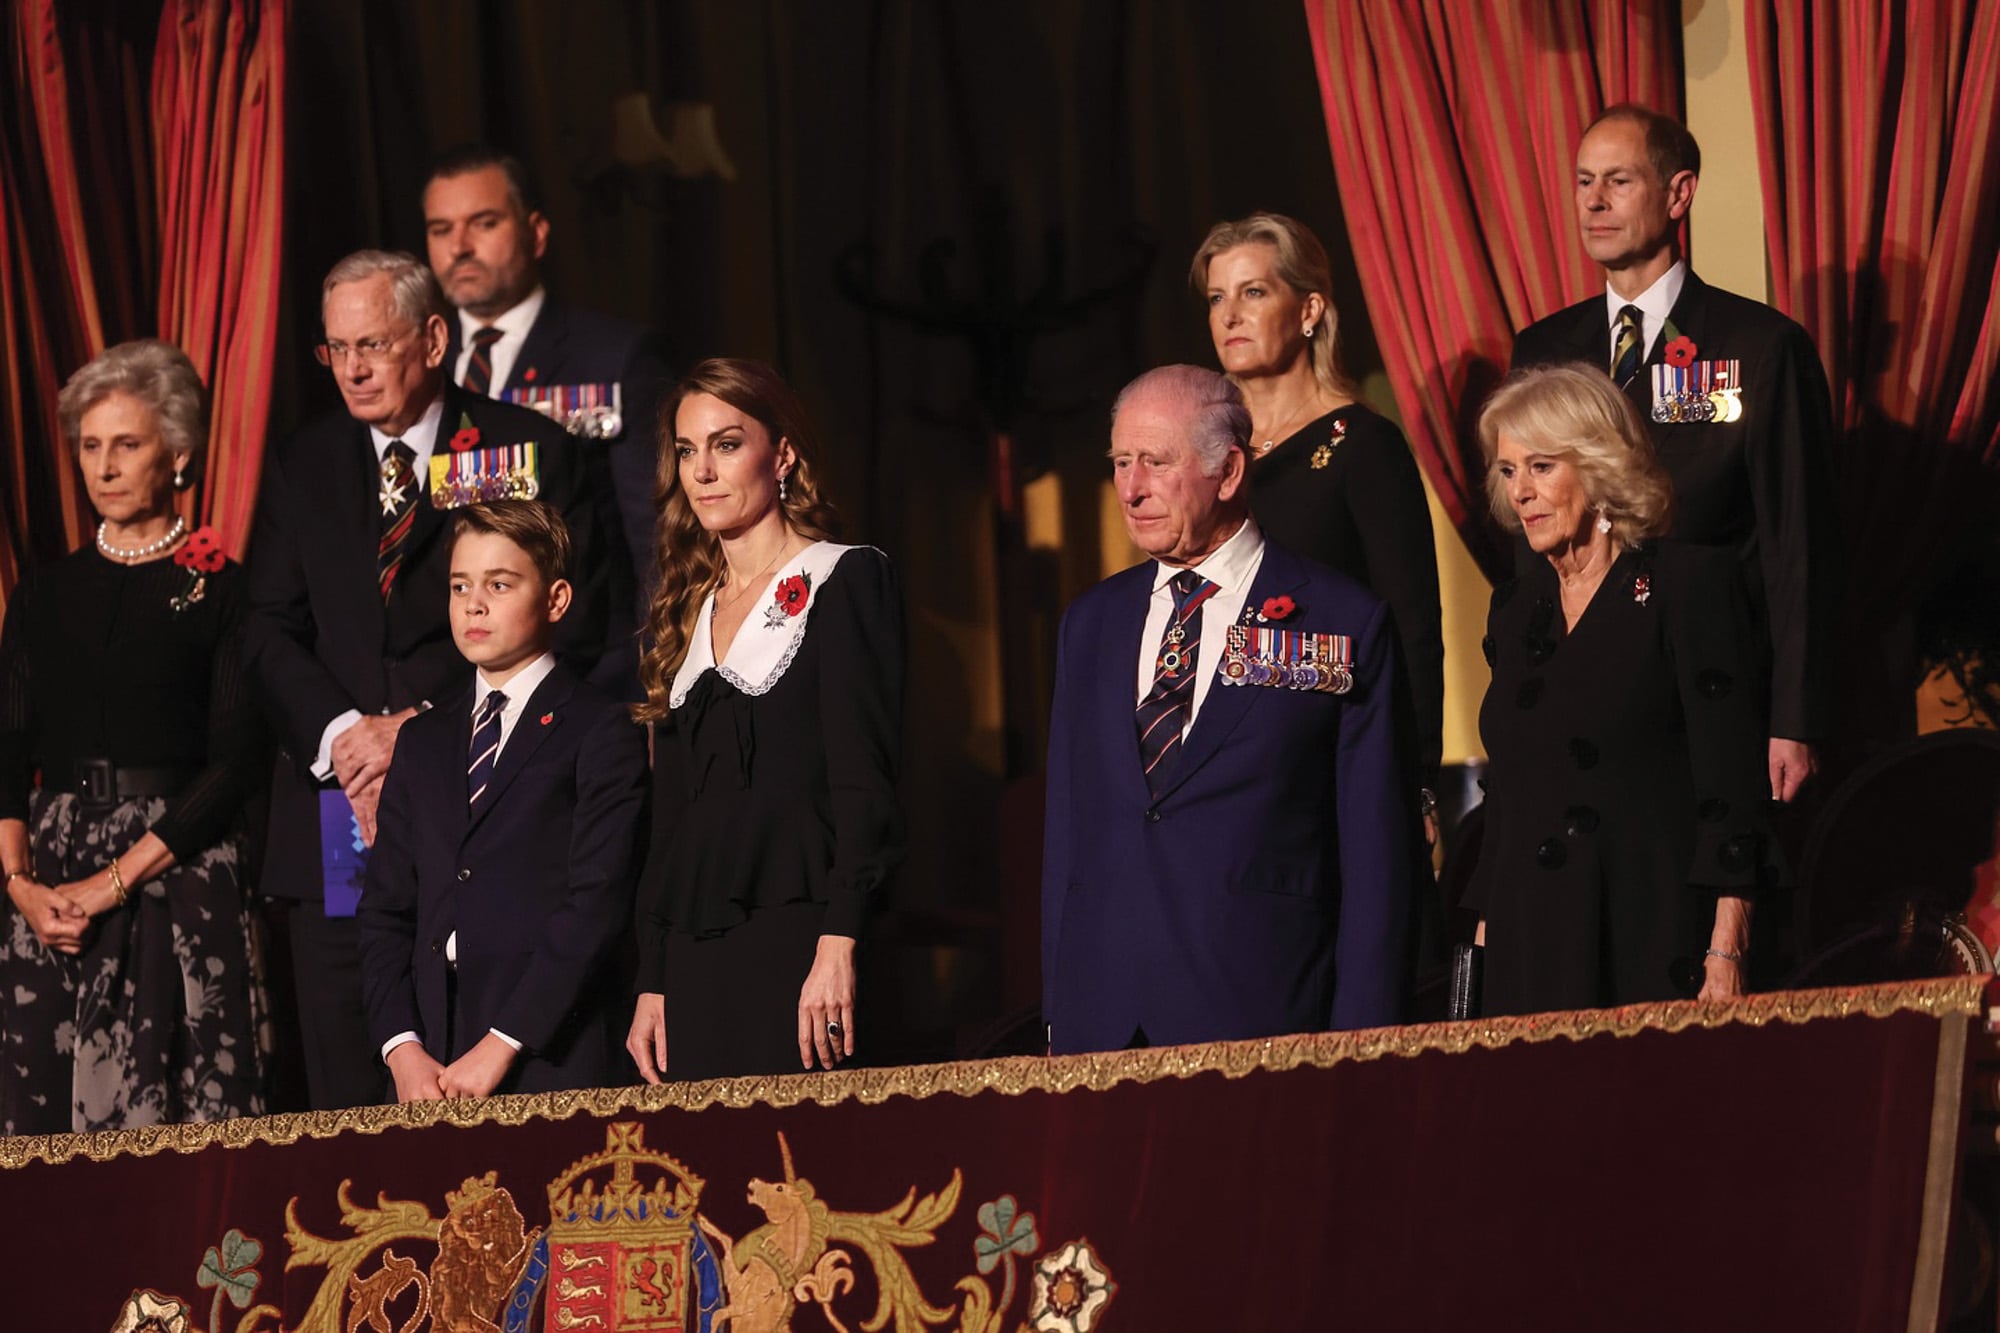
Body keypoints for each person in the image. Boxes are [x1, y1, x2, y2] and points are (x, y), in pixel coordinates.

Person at [245, 249, 610, 1110]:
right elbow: (264, 628)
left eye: (372, 342)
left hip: (483, 797)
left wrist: (416, 724)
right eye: (335, 349)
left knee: (480, 1093)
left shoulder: (527, 447)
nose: (354, 368)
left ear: (434, 337)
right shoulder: (304, 463)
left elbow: (581, 618)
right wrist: (345, 737)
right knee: (350, 1079)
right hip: (337, 803)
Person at [1041, 365, 1414, 1055]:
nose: (1131, 487)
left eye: (1156, 461)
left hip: (1262, 1017)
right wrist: (1062, 1012)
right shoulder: (1089, 623)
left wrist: (1363, 1041)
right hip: (1103, 1027)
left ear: (1230, 470)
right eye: (1121, 461)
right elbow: (1067, 831)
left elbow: (1375, 856)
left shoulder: (1339, 621)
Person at [1509, 104, 1836, 804]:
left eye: (1619, 181)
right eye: (1583, 181)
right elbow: (1526, 539)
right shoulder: (1542, 350)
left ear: (1679, 193)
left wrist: (1796, 719)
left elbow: (1796, 544)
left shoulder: (1761, 345)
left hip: (1714, 688)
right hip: (1583, 689)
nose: (1594, 201)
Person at [0, 339, 267, 1132]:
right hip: (48, 889)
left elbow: (236, 763)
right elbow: (10, 749)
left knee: (182, 1132)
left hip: (177, 869)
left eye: (127, 443)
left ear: (178, 452)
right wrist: (19, 885)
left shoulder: (225, 587)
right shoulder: (44, 594)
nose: (104, 466)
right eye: (90, 445)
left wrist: (115, 880)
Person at [1464, 364, 1780, 1016]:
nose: (1521, 491)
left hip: (1651, 931)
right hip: (1532, 941)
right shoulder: (1517, 608)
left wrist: (1728, 947)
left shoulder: (1686, 585)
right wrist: (1486, 929)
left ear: (1600, 466)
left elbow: (1731, 783)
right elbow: (1513, 786)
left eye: (1542, 467)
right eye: (1507, 471)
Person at [626, 358, 904, 1082]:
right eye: (687, 451)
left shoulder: (842, 579)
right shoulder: (687, 608)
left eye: (726, 444)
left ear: (780, 454)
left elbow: (863, 785)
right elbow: (670, 824)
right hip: (694, 951)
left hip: (802, 938)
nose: (703, 472)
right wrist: (651, 980)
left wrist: (840, 941)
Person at [358, 500, 647, 1100]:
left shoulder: (598, 729)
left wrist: (503, 1042)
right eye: (460, 585)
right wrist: (403, 1050)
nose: (474, 604)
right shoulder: (422, 740)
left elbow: (595, 906)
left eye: (499, 584)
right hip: (430, 1063)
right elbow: (387, 909)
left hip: (546, 1057)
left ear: (556, 599)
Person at [1191, 212, 1444, 818]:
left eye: (1254, 292)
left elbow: (1411, 625)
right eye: (1217, 297)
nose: (1230, 316)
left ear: (1308, 312)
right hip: (1215, 754)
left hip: (1330, 751)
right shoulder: (1203, 455)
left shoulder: (1363, 444)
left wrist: (1416, 782)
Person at [424, 143, 670, 690]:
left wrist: (645, 690)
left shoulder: (613, 356)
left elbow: (658, 543)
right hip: (446, 694)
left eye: (482, 223)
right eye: (441, 230)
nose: (459, 247)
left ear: (535, 232)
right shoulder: (419, 369)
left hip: (588, 681)